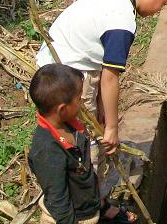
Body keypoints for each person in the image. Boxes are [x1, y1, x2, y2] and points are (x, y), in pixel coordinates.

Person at [36, 0, 167, 206]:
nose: (159, 10)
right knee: (88, 143)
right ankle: (89, 204)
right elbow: (110, 77)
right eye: (163, 4)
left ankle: (87, 195)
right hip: (67, 79)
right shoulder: (122, 23)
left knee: (69, 137)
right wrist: (113, 128)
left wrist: (103, 107)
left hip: (53, 68)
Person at [28, 64, 138, 224]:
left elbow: (85, 174)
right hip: (75, 218)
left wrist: (102, 205)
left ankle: (103, 207)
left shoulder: (72, 126)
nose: (82, 101)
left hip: (89, 206)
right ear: (62, 109)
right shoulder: (47, 150)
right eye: (79, 98)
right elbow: (58, 200)